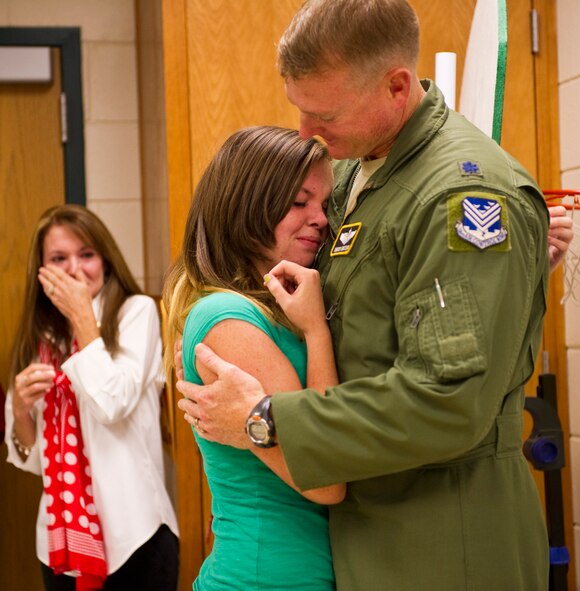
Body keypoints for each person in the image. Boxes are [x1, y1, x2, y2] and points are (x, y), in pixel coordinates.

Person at [174, 1, 576, 590]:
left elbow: (447, 401)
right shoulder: (353, 173)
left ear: (395, 87)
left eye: (324, 113)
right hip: (364, 531)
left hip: (440, 534)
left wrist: (266, 420)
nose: (307, 133)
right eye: (300, 111)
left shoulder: (457, 194)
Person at [162, 125, 345, 591]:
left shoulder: (274, 304)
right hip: (263, 578)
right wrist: (316, 331)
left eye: (325, 204)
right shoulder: (226, 315)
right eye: (299, 202)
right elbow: (323, 474)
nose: (320, 218)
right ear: (246, 206)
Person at [5, 204, 179, 591]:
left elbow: (111, 403)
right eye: (58, 258)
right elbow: (37, 463)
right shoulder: (40, 337)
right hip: (58, 543)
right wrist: (19, 412)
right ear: (41, 268)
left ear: (105, 258)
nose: (74, 269)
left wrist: (83, 319)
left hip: (137, 535)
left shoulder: (137, 314)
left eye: (86, 255)